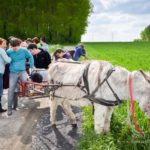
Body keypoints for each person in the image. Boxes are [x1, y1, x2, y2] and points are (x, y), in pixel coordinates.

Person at [7, 38, 34, 115]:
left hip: (22, 71)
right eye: (13, 46)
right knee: (11, 89)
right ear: (11, 46)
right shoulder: (8, 52)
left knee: (27, 82)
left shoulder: (24, 50)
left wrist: (31, 66)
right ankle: (9, 108)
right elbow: (5, 59)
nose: (15, 47)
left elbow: (30, 57)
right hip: (13, 72)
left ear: (19, 45)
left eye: (17, 46)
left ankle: (30, 92)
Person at [0, 38, 11, 113]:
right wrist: (12, 57)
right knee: (0, 90)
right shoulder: (1, 50)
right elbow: (8, 60)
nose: (6, 44)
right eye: (4, 43)